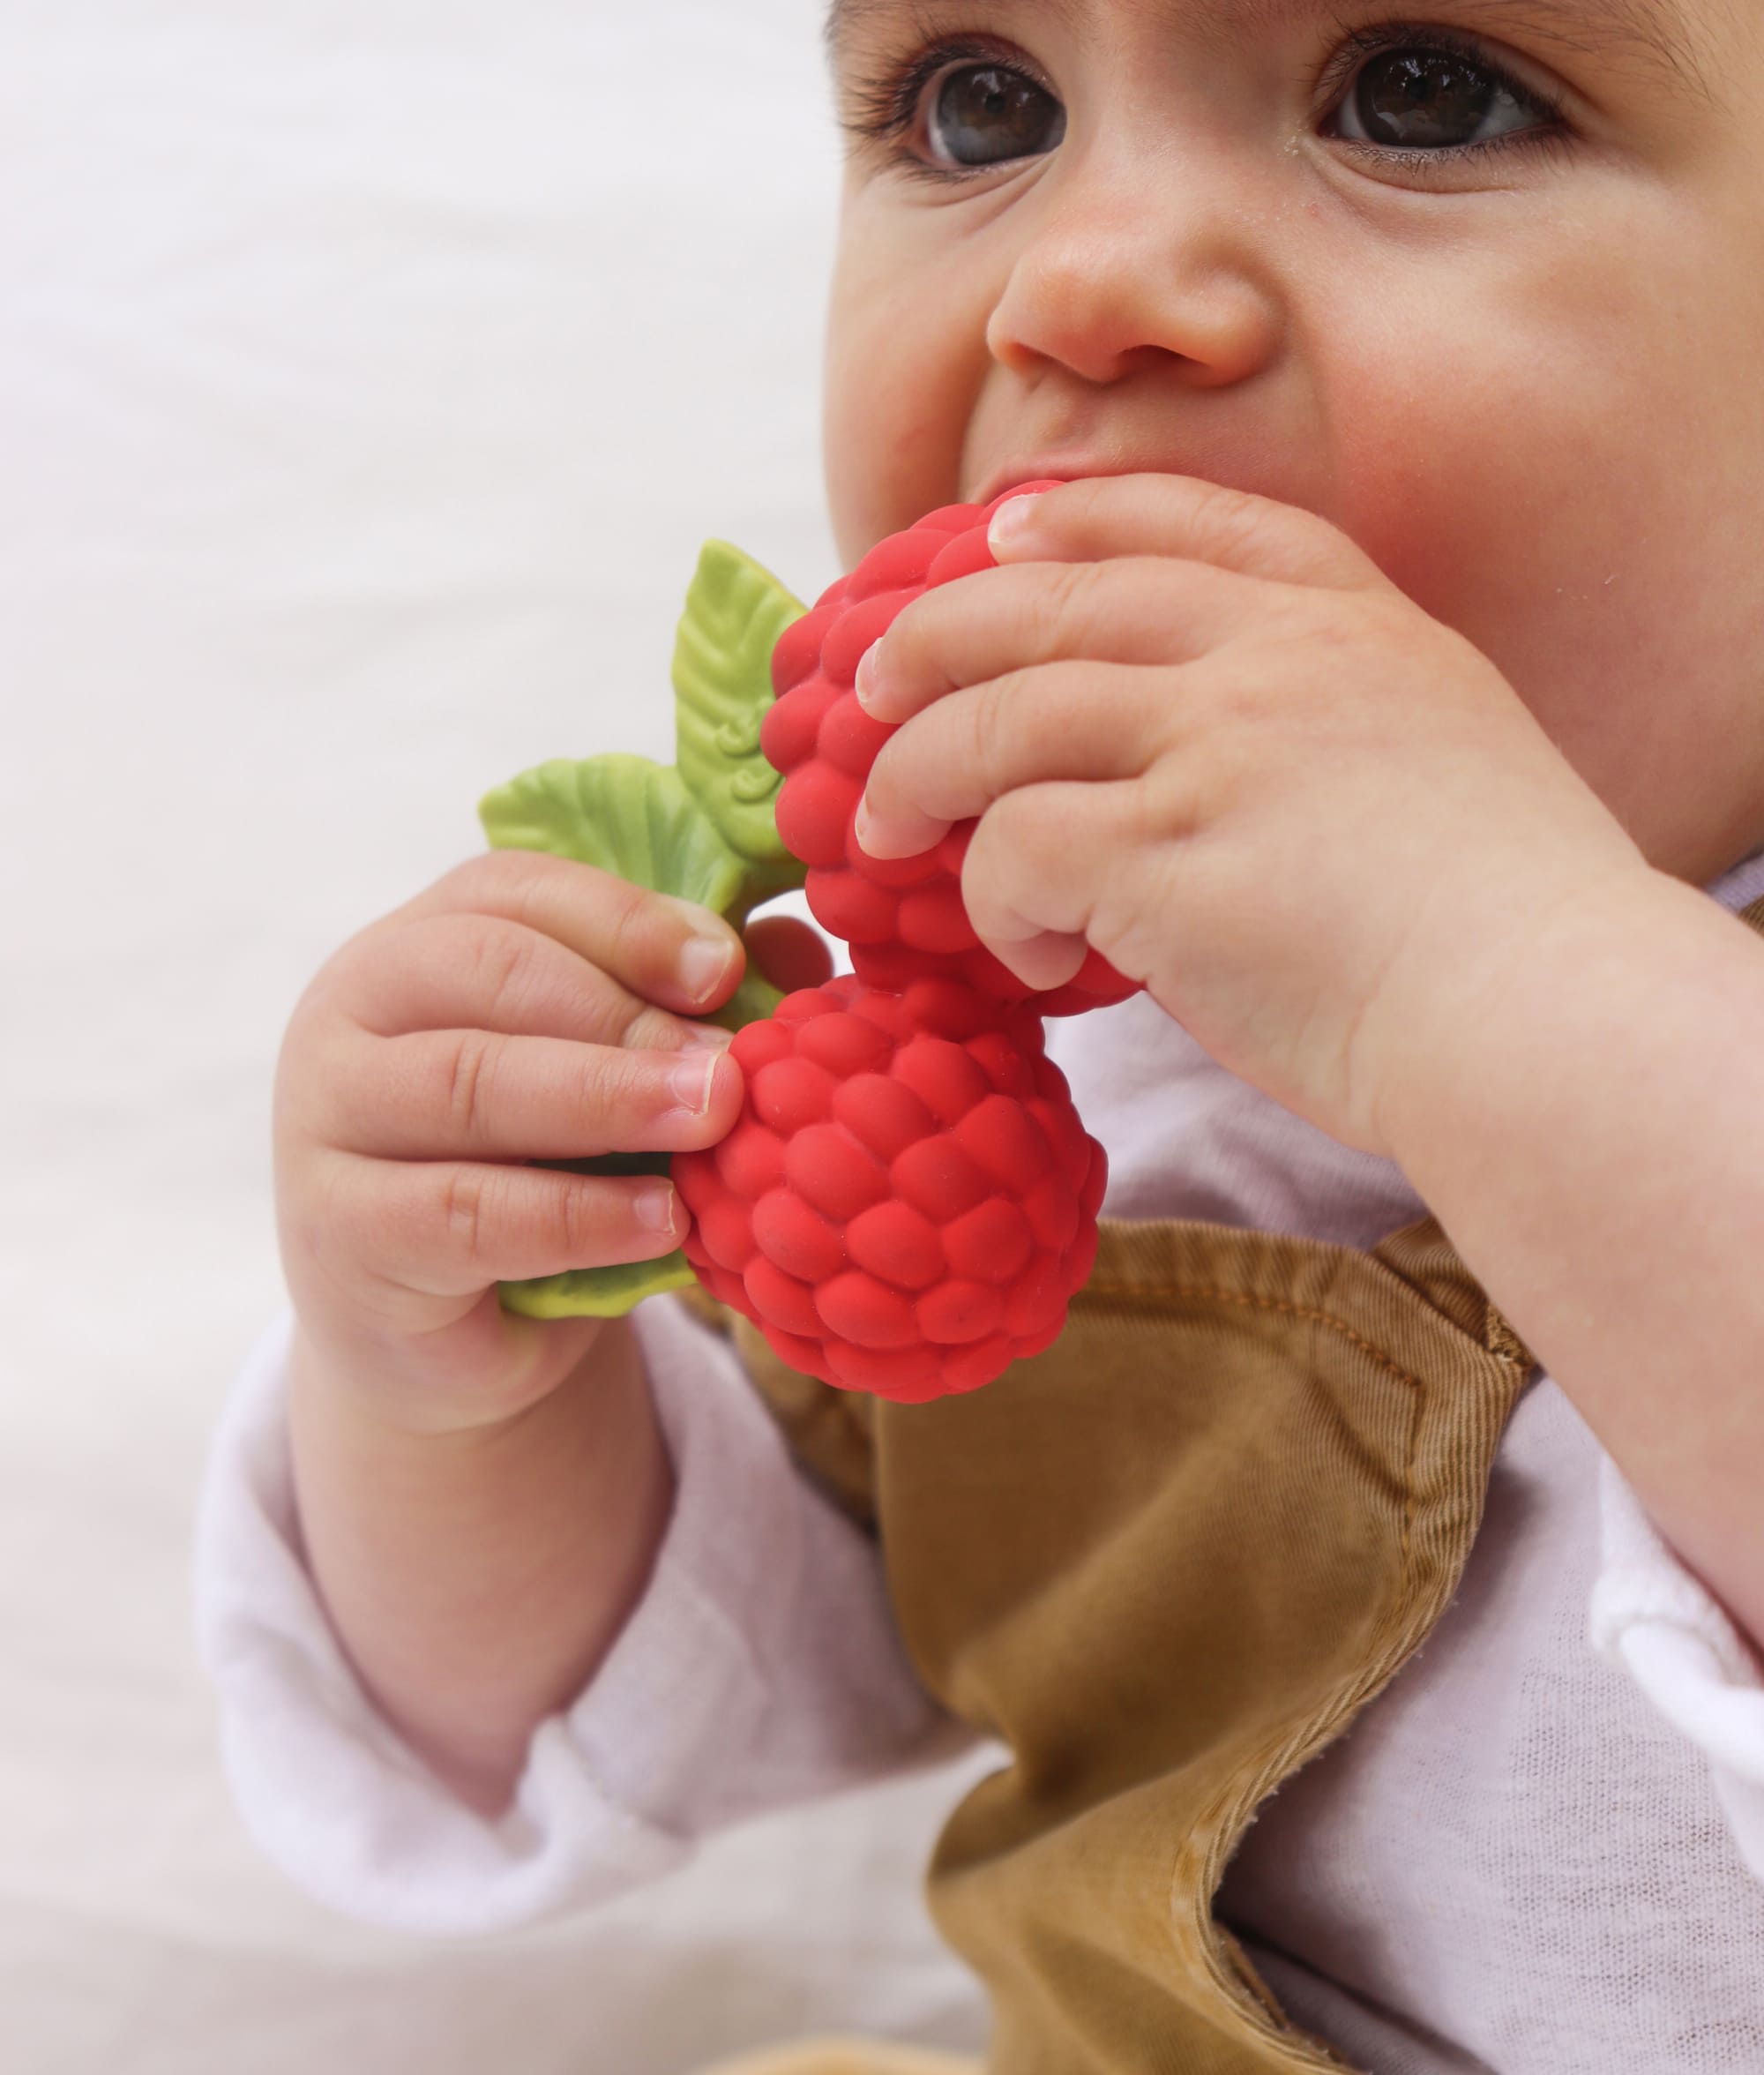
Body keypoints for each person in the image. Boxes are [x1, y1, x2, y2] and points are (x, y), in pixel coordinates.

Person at [195, 2, 1764, 2069]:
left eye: (1422, 90)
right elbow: (601, 1715)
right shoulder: (985, 1066)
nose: (1084, 278)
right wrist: (446, 1385)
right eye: (979, 106)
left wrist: (1487, 970)